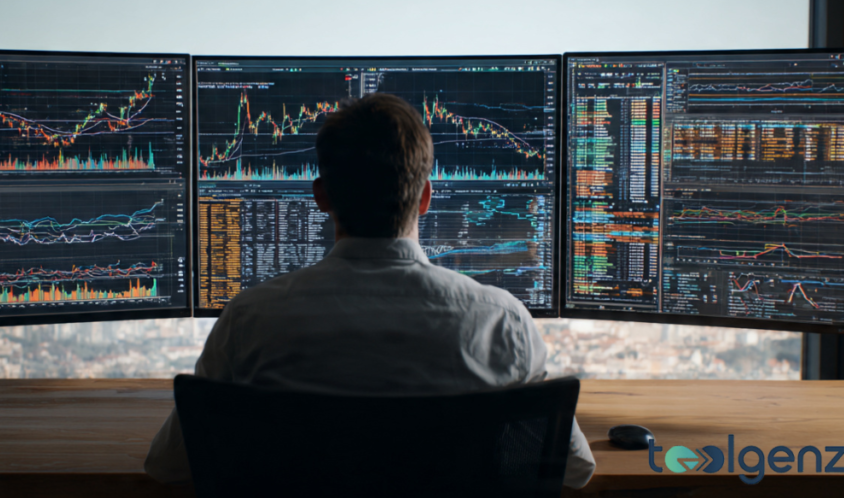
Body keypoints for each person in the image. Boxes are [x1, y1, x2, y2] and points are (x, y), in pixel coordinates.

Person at [145, 93, 595, 488]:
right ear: (425, 198)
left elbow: (168, 466)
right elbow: (573, 470)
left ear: (321, 196)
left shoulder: (249, 320)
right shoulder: (502, 320)